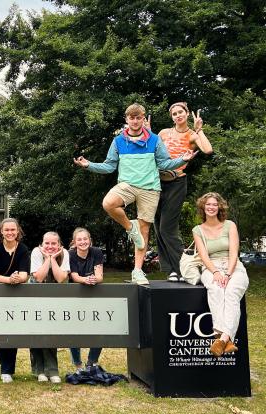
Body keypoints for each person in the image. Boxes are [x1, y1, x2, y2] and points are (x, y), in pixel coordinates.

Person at [73, 103, 196, 285]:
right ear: (127, 119)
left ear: (143, 119)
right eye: (132, 118)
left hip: (150, 189)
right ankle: (131, 228)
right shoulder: (118, 141)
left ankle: (137, 271)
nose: (135, 121)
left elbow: (163, 164)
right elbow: (109, 166)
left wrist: (181, 160)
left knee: (145, 230)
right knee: (109, 203)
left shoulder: (154, 140)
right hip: (127, 185)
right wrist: (89, 165)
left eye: (139, 117)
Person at [155, 103, 213, 282]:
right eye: (174, 113)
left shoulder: (192, 135)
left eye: (181, 112)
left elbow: (208, 150)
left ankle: (184, 267)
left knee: (167, 228)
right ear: (171, 117)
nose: (178, 115)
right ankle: (171, 270)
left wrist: (199, 130)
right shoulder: (163, 133)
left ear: (187, 114)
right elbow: (151, 151)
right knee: (157, 226)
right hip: (156, 182)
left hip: (177, 183)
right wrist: (148, 134)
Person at [192, 192, 249, 357]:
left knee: (231, 293)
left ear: (219, 207)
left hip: (233, 266)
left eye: (214, 204)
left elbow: (234, 251)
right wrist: (216, 272)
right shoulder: (198, 230)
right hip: (211, 268)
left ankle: (222, 339)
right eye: (208, 204)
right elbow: (203, 256)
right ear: (203, 207)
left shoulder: (230, 225)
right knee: (216, 290)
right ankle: (227, 340)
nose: (211, 207)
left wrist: (228, 273)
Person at [29, 231, 70, 384]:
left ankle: (52, 370)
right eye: (47, 243)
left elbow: (60, 278)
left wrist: (52, 259)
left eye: (54, 243)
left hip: (54, 297)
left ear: (59, 245)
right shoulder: (36, 252)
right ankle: (39, 370)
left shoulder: (65, 253)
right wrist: (46, 258)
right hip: (35, 295)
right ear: (42, 243)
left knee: (51, 332)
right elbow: (38, 278)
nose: (50, 246)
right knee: (35, 332)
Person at [0, 218, 30, 383]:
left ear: (18, 231)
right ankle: (4, 367)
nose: (10, 233)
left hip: (16, 295)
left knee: (13, 329)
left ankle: (9, 369)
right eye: (6, 230)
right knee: (0, 330)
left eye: (13, 230)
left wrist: (17, 279)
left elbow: (24, 275)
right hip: (0, 295)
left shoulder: (22, 249)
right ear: (1, 231)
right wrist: (9, 280)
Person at [68, 227, 105, 371]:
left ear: (90, 240)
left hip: (93, 294)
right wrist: (85, 280)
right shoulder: (70, 254)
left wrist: (93, 279)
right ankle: (78, 365)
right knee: (74, 329)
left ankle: (92, 361)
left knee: (99, 327)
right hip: (75, 296)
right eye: (79, 239)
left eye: (85, 239)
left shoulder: (96, 252)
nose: (83, 242)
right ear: (74, 242)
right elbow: (75, 277)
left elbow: (100, 276)